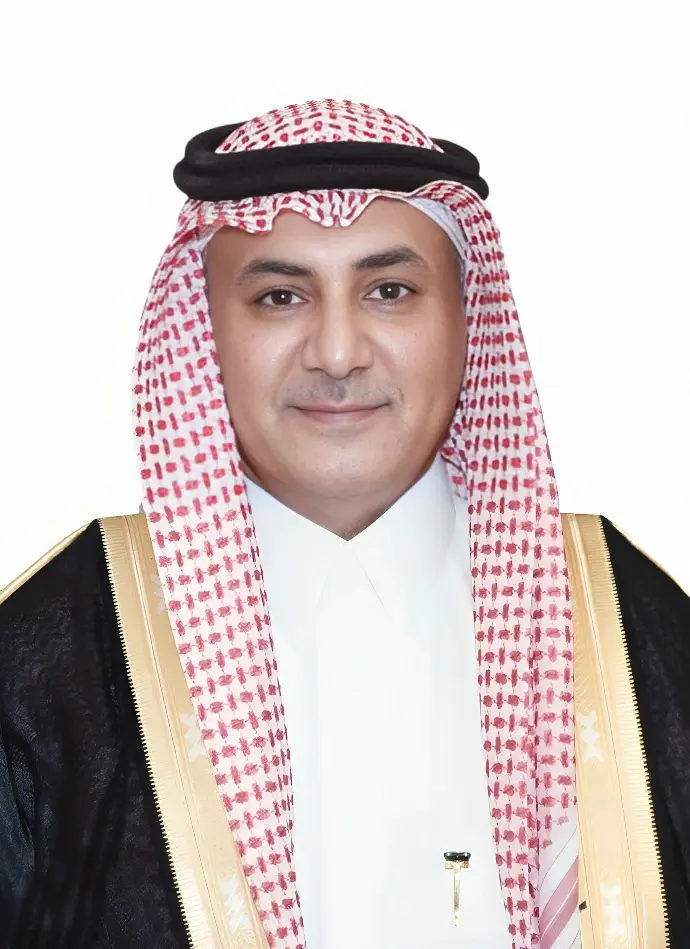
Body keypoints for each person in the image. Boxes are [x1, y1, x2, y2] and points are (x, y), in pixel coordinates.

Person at [1, 99, 688, 949]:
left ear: (466, 321)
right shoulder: (54, 657)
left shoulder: (629, 625)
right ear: (205, 330)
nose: (336, 352)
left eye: (389, 291)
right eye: (280, 296)